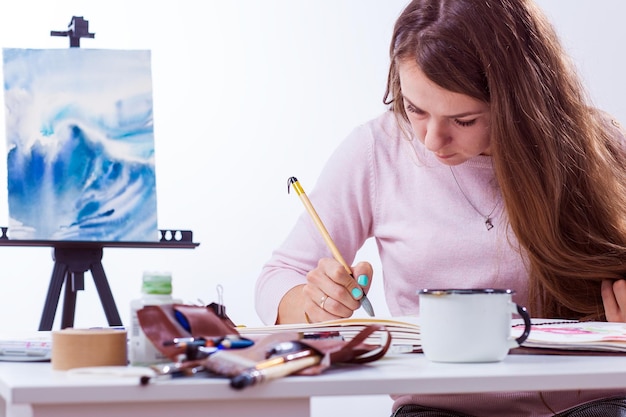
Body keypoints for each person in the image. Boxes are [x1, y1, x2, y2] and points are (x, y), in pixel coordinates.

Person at [255, 0, 626, 415]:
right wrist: (312, 302)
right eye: (414, 109)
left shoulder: (598, 145)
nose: (432, 140)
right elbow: (277, 276)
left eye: (463, 120)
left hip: (589, 403)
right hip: (439, 409)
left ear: (519, 102)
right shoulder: (377, 152)